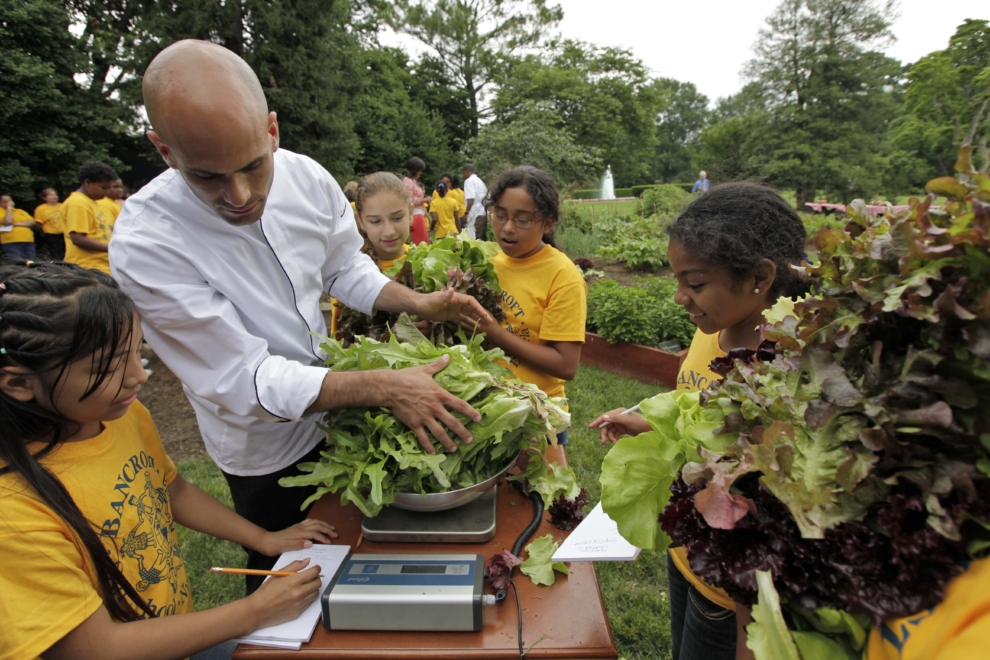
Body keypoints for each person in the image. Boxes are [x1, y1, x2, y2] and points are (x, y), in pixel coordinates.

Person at [109, 40, 491, 593]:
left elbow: (343, 267)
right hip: (263, 447)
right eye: (207, 177)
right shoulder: (146, 240)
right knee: (285, 580)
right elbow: (244, 377)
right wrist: (382, 386)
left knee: (354, 554)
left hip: (338, 415)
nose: (239, 194)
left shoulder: (308, 179)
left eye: (252, 166)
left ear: (272, 130)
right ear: (164, 150)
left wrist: (418, 302)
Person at [0, 262, 337, 660]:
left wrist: (262, 538)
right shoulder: (13, 517)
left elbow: (172, 489)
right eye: (108, 366)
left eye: (137, 352)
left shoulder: (120, 416)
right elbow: (96, 648)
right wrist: (254, 611)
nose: (138, 376)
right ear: (18, 383)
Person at [589, 182, 808, 660]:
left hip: (731, 591)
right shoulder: (714, 330)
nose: (679, 298)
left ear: (760, 277)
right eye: (678, 281)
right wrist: (648, 423)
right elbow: (700, 415)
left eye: (696, 283)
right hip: (691, 558)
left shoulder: (785, 369)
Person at [456, 166, 586, 445]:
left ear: (547, 223)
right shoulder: (489, 262)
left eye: (523, 220)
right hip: (488, 409)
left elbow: (566, 365)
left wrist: (496, 334)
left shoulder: (563, 276)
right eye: (499, 215)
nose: (507, 228)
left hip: (536, 417)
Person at [330, 172, 415, 334]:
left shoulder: (430, 263)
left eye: (397, 218)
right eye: (375, 221)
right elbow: (341, 341)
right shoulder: (350, 273)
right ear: (360, 221)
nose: (389, 231)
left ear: (411, 213)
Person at [63, 161, 117, 275]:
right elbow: (78, 238)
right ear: (87, 182)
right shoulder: (78, 203)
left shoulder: (91, 202)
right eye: (104, 188)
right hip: (87, 268)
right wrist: (113, 248)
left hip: (100, 266)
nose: (107, 192)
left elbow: (101, 228)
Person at [401, 157, 430, 245]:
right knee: (420, 243)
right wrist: (424, 200)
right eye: (419, 170)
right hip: (414, 215)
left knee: (424, 242)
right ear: (414, 169)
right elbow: (409, 202)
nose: (420, 173)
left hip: (418, 214)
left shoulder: (412, 181)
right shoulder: (407, 182)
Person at [1, 194, 37, 262]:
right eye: (5, 202)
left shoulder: (20, 211)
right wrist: (9, 208)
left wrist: (14, 224)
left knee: (32, 262)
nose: (8, 203)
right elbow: (8, 221)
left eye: (9, 201)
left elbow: (32, 222)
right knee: (18, 263)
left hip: (28, 240)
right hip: (11, 241)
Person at [34, 188, 66, 260]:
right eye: (51, 195)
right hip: (52, 235)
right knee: (56, 254)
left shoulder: (63, 206)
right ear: (45, 198)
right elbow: (38, 223)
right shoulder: (40, 209)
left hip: (65, 233)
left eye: (55, 195)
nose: (54, 197)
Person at [462, 163, 488, 240]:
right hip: (483, 212)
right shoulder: (480, 181)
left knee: (473, 237)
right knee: (482, 238)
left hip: (474, 214)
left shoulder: (469, 181)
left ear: (467, 172)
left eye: (463, 173)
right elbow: (487, 198)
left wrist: (466, 213)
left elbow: (471, 199)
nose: (463, 176)